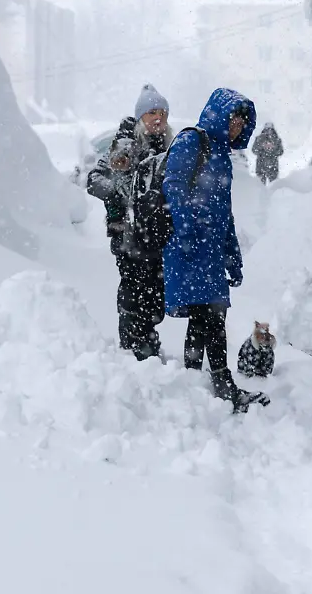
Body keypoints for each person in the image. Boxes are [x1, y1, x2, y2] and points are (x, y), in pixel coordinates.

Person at [163, 88, 270, 412]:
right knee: (208, 317)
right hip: (189, 248)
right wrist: (184, 231)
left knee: (208, 317)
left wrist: (232, 255)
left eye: (242, 120)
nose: (237, 125)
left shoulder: (223, 156)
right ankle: (219, 385)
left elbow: (224, 212)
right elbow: (173, 187)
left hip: (208, 251)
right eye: (233, 117)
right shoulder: (192, 142)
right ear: (219, 115)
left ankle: (200, 384)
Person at [86, 84, 174, 361]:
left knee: (155, 293)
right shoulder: (126, 144)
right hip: (128, 237)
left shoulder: (168, 147)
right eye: (151, 113)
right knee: (134, 290)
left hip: (156, 237)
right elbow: (94, 180)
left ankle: (146, 340)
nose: (158, 118)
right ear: (140, 119)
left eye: (162, 113)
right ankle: (134, 345)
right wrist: (123, 196)